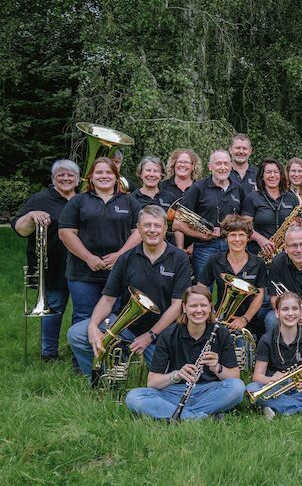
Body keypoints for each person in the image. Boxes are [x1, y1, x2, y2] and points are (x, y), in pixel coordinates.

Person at [68, 206, 192, 378]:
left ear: (165, 229)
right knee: (77, 334)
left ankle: (133, 357)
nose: (152, 230)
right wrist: (93, 325)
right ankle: (98, 378)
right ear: (138, 228)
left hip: (163, 332)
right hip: (127, 327)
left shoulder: (179, 258)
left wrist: (150, 335)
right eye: (147, 225)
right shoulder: (125, 258)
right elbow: (108, 299)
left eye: (157, 226)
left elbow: (177, 306)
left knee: (171, 378)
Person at [125, 285, 245, 420]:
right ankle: (199, 416)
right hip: (175, 392)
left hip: (209, 391)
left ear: (210, 307)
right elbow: (152, 382)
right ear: (184, 307)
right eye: (193, 306)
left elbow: (235, 377)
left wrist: (216, 367)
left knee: (237, 387)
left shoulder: (221, 333)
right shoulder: (168, 335)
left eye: (203, 306)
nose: (199, 310)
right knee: (134, 397)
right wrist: (176, 375)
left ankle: (179, 414)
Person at [59, 157, 142, 326]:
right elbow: (66, 233)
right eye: (99, 172)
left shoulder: (129, 201)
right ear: (90, 176)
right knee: (83, 317)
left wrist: (120, 255)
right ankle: (84, 345)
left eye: (109, 172)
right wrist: (89, 258)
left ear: (116, 176)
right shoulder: (78, 201)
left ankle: (108, 345)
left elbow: (139, 232)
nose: (104, 176)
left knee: (115, 319)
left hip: (118, 271)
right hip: (83, 272)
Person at [12, 159, 80, 361]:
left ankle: (79, 352)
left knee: (81, 310)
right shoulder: (40, 199)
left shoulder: (84, 198)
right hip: (54, 266)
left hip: (82, 264)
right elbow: (20, 229)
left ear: (77, 179)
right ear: (53, 178)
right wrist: (31, 215)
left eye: (70, 175)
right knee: (54, 308)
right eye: (61, 175)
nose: (66, 178)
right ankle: (49, 353)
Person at [174, 150, 246, 279]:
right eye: (218, 163)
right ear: (210, 166)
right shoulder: (198, 188)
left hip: (233, 246)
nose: (222, 167)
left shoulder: (238, 188)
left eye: (226, 163)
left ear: (231, 166)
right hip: (205, 248)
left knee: (231, 286)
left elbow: (244, 220)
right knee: (204, 286)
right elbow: (177, 223)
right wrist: (202, 235)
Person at [197, 215, 268, 338]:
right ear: (226, 238)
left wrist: (245, 319)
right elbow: (201, 286)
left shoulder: (258, 263)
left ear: (248, 238)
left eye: (241, 235)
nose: (237, 239)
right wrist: (210, 311)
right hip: (218, 321)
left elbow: (259, 295)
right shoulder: (215, 260)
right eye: (233, 235)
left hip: (247, 325)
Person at [242, 158, 300, 258]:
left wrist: (296, 225)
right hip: (259, 253)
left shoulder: (291, 197)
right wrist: (260, 239)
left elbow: (299, 223)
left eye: (276, 172)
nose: (272, 175)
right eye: (268, 172)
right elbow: (245, 227)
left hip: (286, 253)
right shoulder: (252, 198)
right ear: (262, 176)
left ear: (281, 175)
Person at [160, 148, 202, 252]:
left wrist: (194, 246)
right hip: (165, 246)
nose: (182, 165)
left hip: (196, 247)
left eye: (186, 162)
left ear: (193, 166)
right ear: (173, 165)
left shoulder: (201, 188)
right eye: (179, 162)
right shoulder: (161, 187)